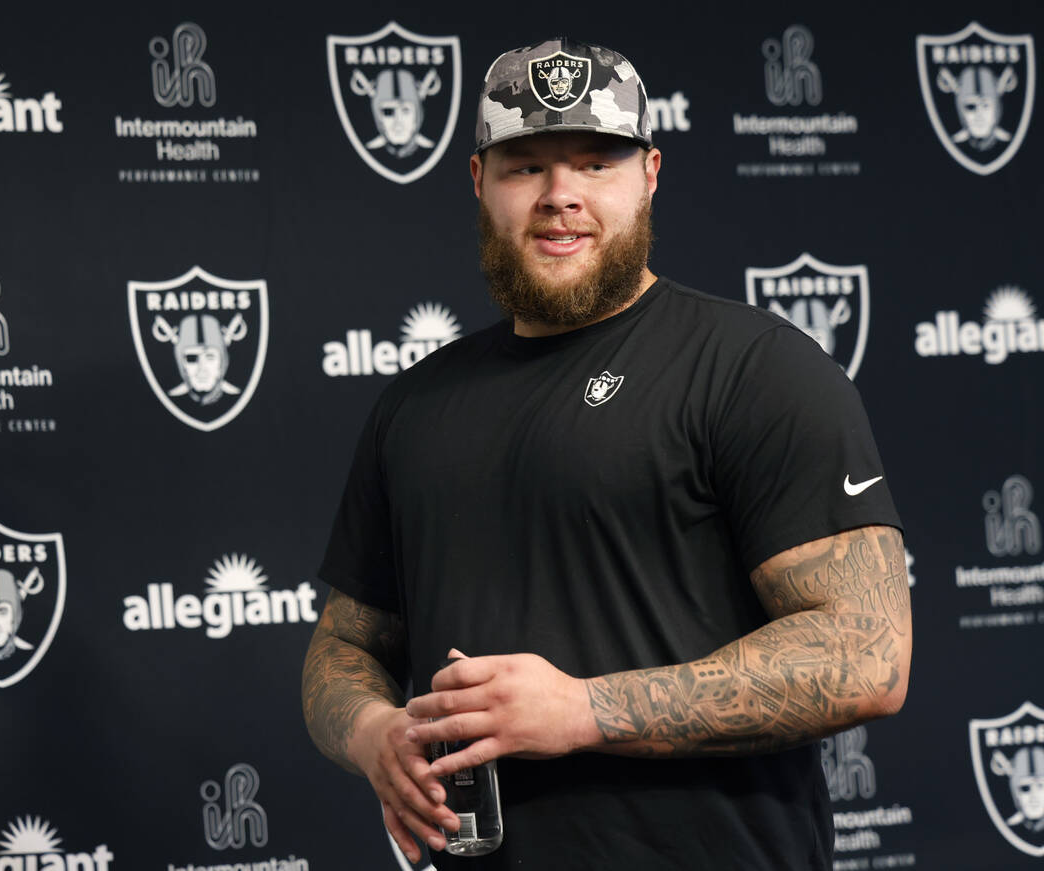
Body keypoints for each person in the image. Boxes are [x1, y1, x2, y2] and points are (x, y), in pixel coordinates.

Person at [302, 37, 911, 870]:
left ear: (650, 175)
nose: (561, 196)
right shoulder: (414, 404)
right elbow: (345, 647)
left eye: (595, 163)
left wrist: (585, 709)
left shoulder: (756, 369)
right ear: (480, 182)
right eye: (526, 167)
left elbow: (867, 652)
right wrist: (374, 732)